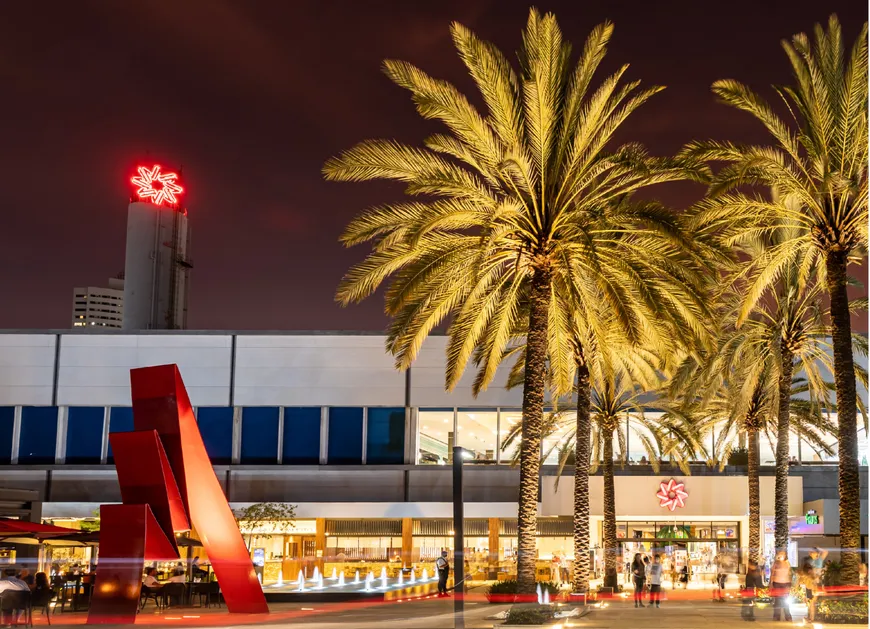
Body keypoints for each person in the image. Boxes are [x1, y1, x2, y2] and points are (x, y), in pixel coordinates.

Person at [771, 551, 792, 622]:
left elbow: (789, 574)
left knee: (786, 600)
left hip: (786, 583)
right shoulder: (776, 563)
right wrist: (770, 583)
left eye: (783, 554)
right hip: (777, 583)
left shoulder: (787, 563)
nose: (782, 555)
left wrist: (790, 584)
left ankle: (788, 616)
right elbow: (772, 573)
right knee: (777, 601)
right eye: (780, 554)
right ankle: (776, 616)